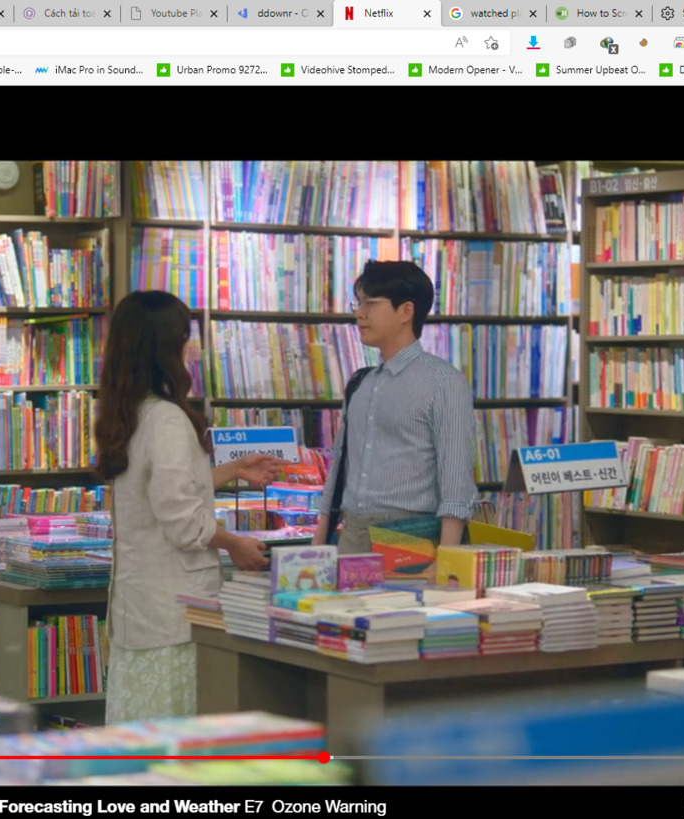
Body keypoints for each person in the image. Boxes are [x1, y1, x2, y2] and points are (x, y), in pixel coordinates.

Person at [95, 290, 281, 723]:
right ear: (166, 345)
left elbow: (154, 493)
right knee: (175, 735)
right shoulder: (167, 418)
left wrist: (231, 470)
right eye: (184, 337)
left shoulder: (128, 412)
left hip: (139, 603)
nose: (190, 348)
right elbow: (180, 518)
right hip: (173, 608)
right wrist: (233, 542)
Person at [313, 260, 477, 558]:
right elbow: (339, 470)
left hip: (410, 537)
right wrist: (319, 543)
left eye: (371, 303)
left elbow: (456, 481)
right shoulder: (360, 383)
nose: (359, 314)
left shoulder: (443, 382)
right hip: (352, 534)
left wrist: (448, 559)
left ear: (406, 311)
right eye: (358, 302)